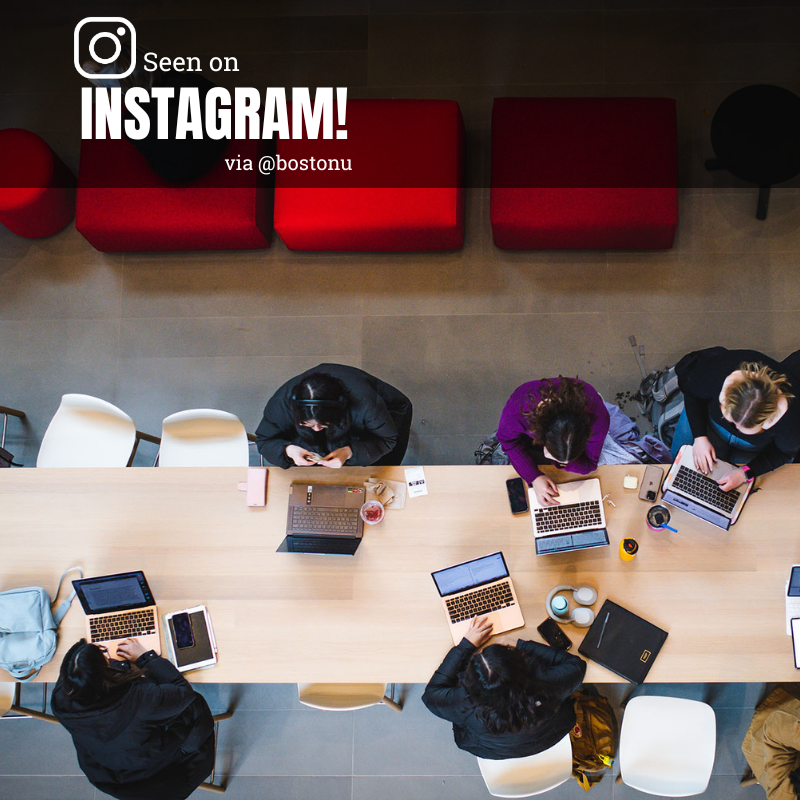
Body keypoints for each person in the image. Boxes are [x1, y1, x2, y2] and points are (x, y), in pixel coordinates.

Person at [51, 639, 215, 800]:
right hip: (169, 776)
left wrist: (120, 667)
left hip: (113, 777)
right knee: (193, 715)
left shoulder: (61, 698)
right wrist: (146, 658)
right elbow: (186, 695)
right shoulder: (142, 700)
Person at [422, 617, 586, 759]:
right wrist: (521, 645)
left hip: (493, 750)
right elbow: (577, 666)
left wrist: (466, 645)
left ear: (471, 681)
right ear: (522, 664)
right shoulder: (545, 683)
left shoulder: (464, 703)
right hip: (547, 737)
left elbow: (431, 695)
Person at [671, 347, 800, 491]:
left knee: (731, 491)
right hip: (708, 424)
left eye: (742, 427)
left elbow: (784, 452)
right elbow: (692, 391)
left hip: (751, 448)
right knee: (678, 472)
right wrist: (699, 437)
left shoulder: (793, 422)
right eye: (732, 420)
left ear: (768, 421)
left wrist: (745, 472)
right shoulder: (718, 370)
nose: (735, 427)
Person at [255, 363, 413, 468]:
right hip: (343, 416)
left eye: (323, 425)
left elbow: (386, 439)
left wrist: (349, 452)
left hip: (388, 410)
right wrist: (288, 450)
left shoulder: (366, 403)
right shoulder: (282, 402)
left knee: (380, 466)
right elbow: (264, 440)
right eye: (307, 424)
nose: (316, 430)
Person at [497, 377, 610, 506]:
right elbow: (507, 442)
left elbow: (590, 464)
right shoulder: (518, 411)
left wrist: (563, 463)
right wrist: (533, 477)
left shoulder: (599, 419)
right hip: (527, 437)